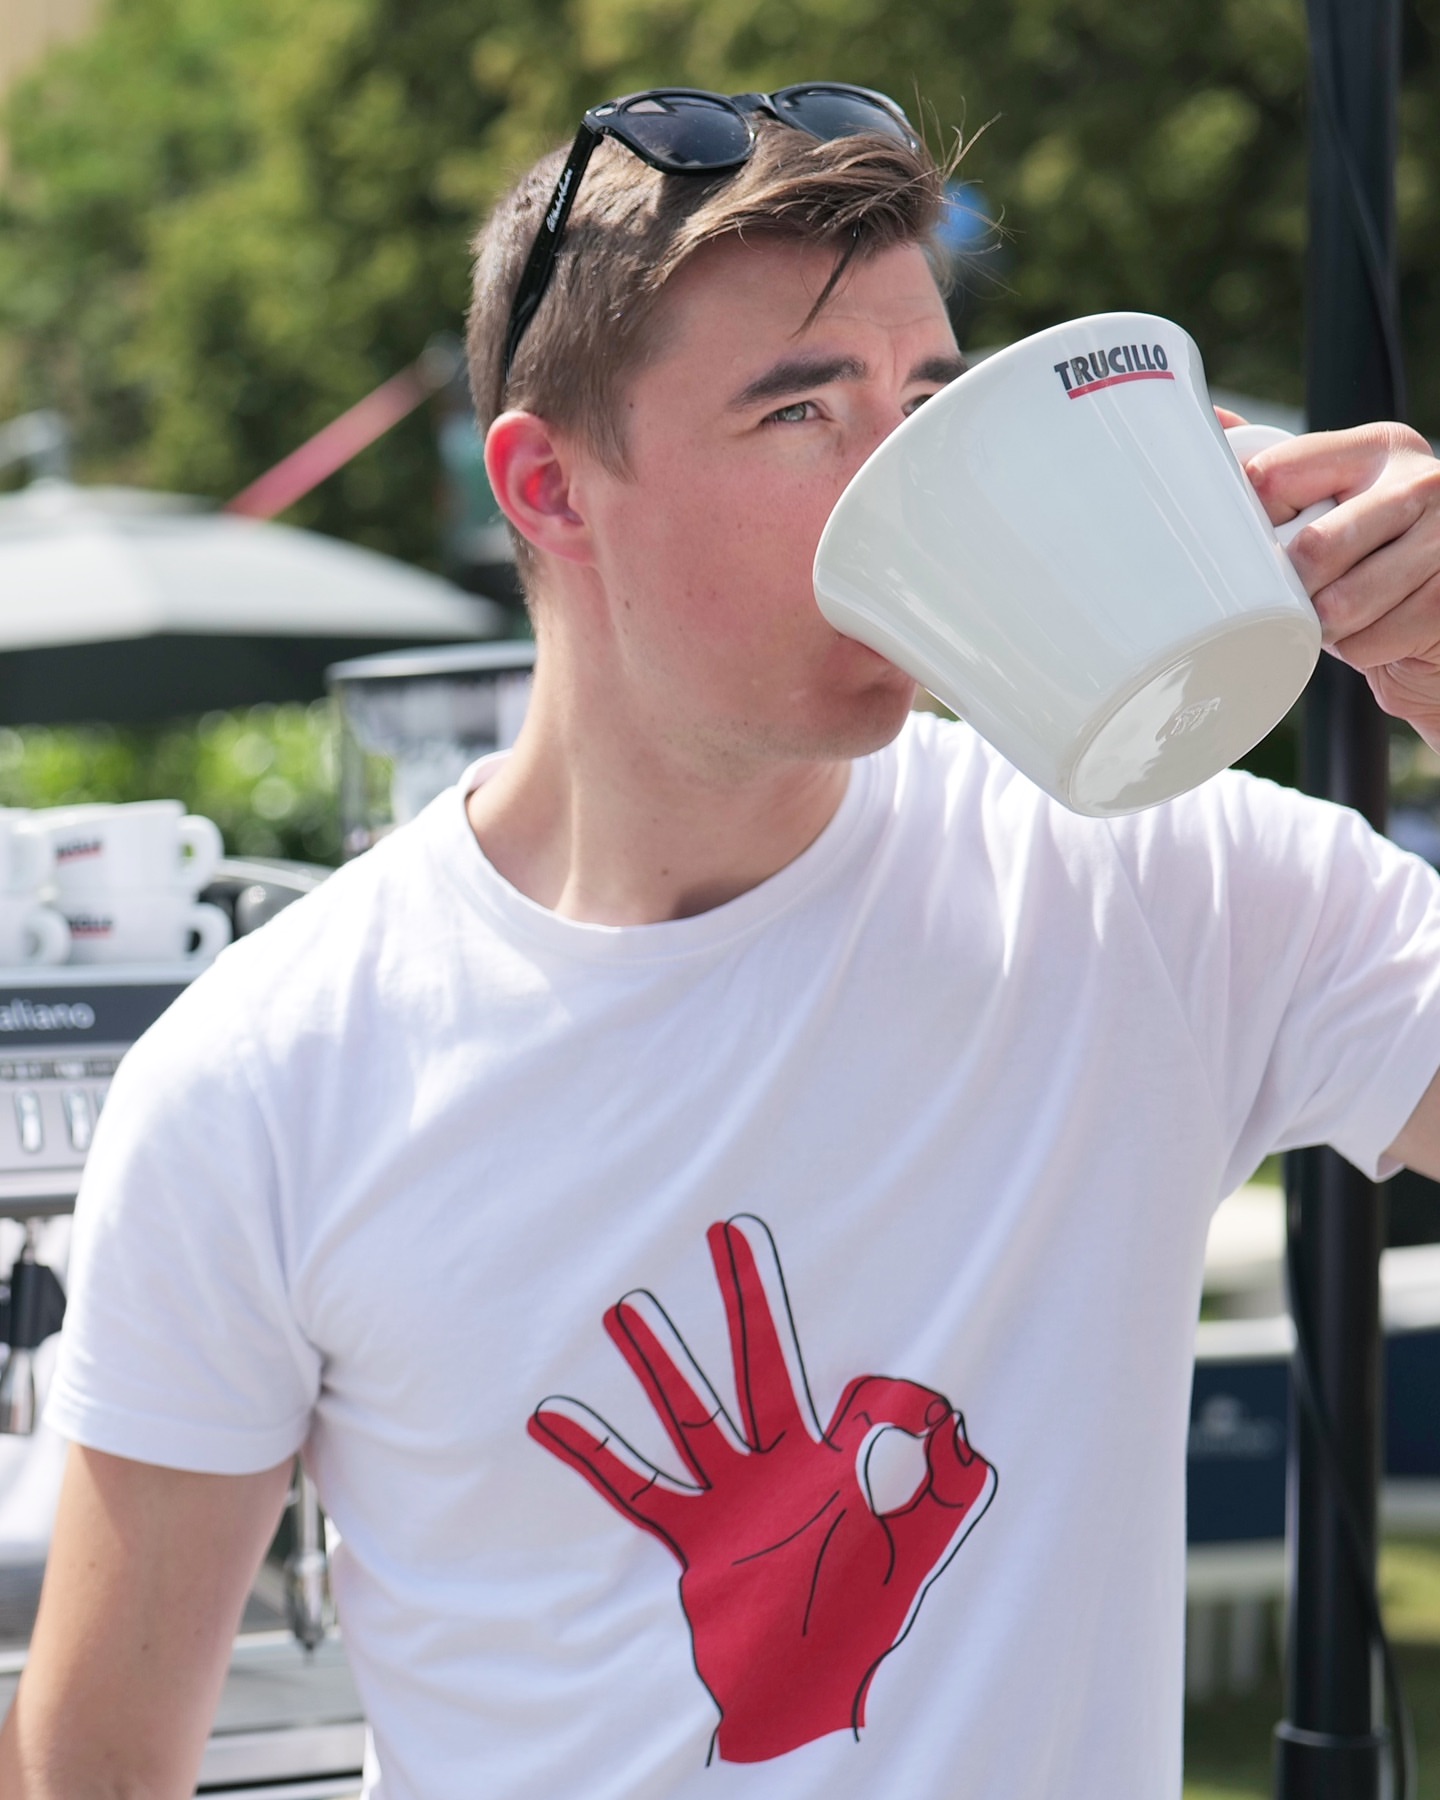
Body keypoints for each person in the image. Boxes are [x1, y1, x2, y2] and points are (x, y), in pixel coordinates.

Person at [5, 82, 1440, 1800]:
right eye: (803, 414)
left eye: (926, 405)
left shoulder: (1151, 882)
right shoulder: (265, 1075)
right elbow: (96, 1765)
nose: (909, 486)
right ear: (548, 486)